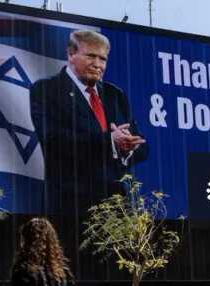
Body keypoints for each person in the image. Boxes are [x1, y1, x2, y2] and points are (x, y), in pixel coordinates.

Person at [30, 29, 149, 271]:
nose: (98, 65)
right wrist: (109, 141)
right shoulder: (46, 90)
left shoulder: (115, 95)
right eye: (91, 56)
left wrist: (126, 147)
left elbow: (142, 145)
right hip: (70, 210)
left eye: (103, 59)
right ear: (71, 54)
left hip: (116, 211)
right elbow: (54, 141)